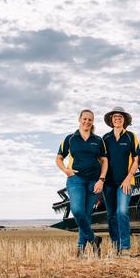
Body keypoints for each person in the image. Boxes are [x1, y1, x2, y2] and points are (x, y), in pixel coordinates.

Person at [55, 109, 107, 258]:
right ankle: (94, 239)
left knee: (86, 215)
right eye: (84, 119)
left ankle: (80, 249)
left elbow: (104, 160)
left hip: (93, 181)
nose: (87, 122)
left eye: (90, 119)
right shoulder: (70, 139)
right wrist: (66, 170)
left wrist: (101, 179)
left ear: (93, 122)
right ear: (79, 119)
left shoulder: (98, 140)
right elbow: (58, 158)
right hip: (75, 179)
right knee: (77, 211)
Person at [102, 106, 139, 257]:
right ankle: (115, 246)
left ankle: (125, 247)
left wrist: (128, 178)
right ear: (111, 120)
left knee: (122, 212)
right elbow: (101, 161)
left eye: (120, 116)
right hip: (108, 184)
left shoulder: (131, 136)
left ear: (124, 120)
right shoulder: (105, 138)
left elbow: (136, 160)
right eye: (114, 116)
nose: (117, 118)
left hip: (125, 182)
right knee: (111, 215)